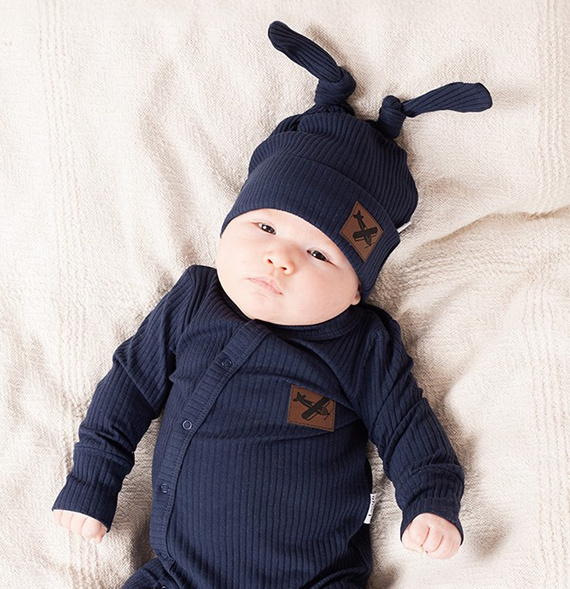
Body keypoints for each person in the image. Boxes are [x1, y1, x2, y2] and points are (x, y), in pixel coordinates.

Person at [53, 21, 492, 588]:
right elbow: (128, 386)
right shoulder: (196, 301)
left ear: (354, 290)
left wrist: (430, 500)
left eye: (318, 253)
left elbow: (407, 426)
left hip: (318, 577)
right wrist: (93, 481)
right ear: (228, 227)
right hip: (179, 575)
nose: (279, 259)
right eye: (263, 227)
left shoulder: (361, 343)